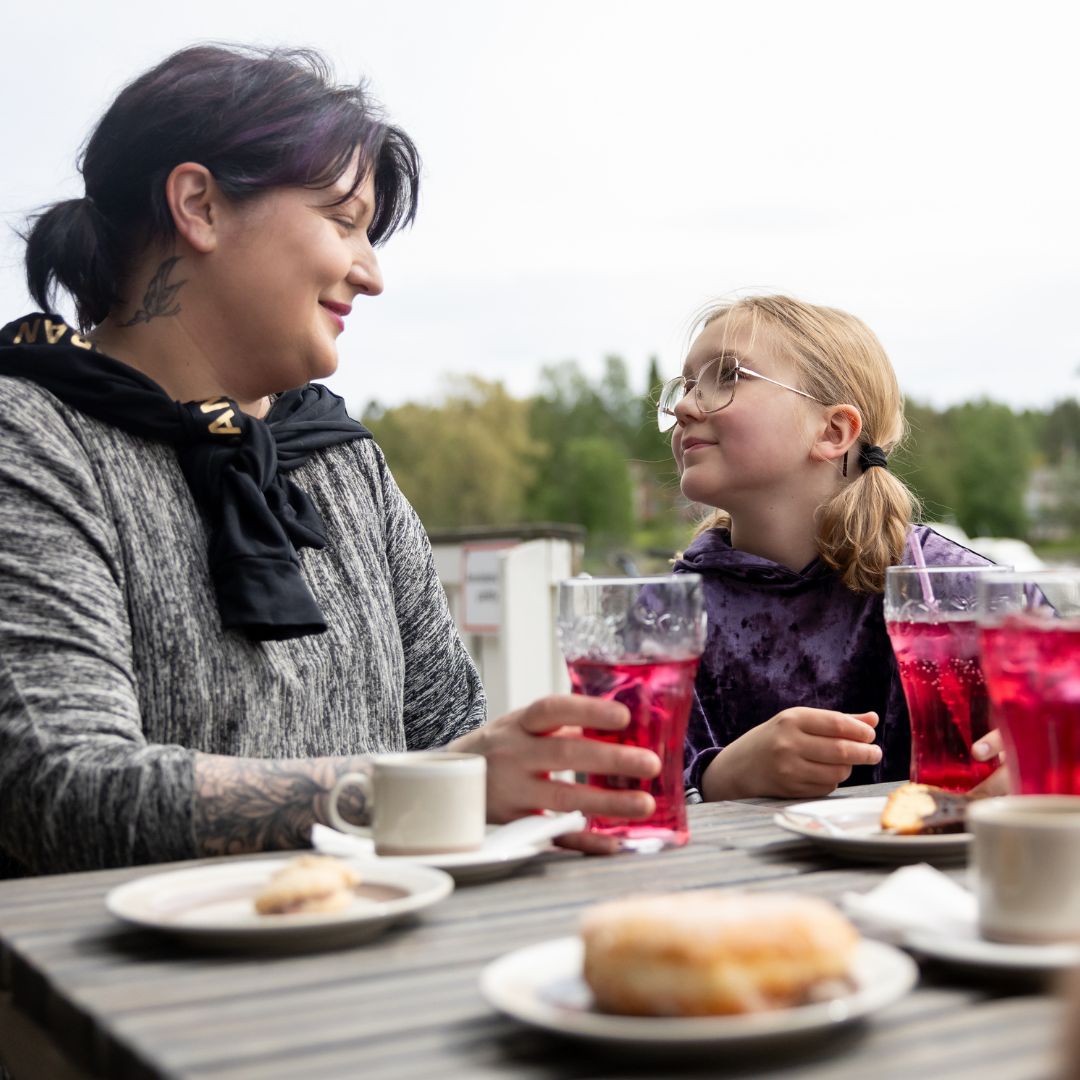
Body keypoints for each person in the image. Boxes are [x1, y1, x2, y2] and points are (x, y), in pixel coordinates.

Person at [0, 44, 659, 876]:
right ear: (198, 205)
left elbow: (451, 735)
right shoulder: (28, 438)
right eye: (344, 222)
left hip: (383, 966)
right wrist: (418, 788)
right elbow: (58, 789)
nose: (371, 274)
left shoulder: (344, 465)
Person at [659, 295, 1001, 801]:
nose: (685, 406)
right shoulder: (660, 615)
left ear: (833, 431)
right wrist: (721, 778)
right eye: (688, 385)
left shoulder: (959, 591)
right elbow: (619, 789)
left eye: (729, 376)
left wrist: (1047, 746)